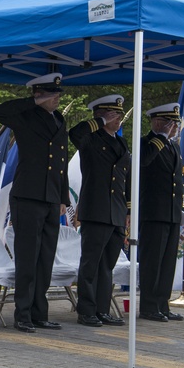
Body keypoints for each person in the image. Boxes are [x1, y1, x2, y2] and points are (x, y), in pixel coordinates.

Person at [0, 73, 69, 333]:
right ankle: (22, 314)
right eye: (51, 94)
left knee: (46, 258)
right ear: (39, 94)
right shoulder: (24, 115)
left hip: (50, 197)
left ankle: (39, 312)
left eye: (57, 94)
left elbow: (61, 162)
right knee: (27, 257)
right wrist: (33, 102)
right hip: (27, 195)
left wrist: (62, 198)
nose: (57, 99)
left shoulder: (58, 119)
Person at [69, 95, 129, 327]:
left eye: (119, 115)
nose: (118, 119)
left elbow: (126, 178)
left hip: (116, 211)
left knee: (107, 266)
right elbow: (74, 133)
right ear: (100, 115)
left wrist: (128, 210)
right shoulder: (90, 139)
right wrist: (100, 122)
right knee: (90, 264)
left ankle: (103, 309)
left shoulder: (121, 143)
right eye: (113, 115)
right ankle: (87, 311)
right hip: (95, 210)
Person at [138, 103, 184, 322]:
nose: (175, 127)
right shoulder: (146, 143)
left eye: (175, 123)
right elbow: (144, 162)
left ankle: (162, 304)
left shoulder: (173, 147)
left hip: (172, 214)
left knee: (167, 263)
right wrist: (161, 137)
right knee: (152, 262)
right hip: (153, 213)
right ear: (158, 122)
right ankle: (148, 306)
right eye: (171, 123)